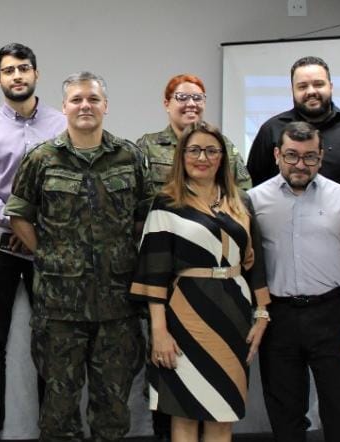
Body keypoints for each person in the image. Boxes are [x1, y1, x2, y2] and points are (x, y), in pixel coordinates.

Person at [5, 72, 154, 440]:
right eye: (76, 99)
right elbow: (19, 214)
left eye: (92, 99)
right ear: (64, 107)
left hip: (117, 305)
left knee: (114, 408)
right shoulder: (42, 158)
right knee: (58, 410)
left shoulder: (129, 156)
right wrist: (48, 252)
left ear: (105, 105)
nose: (85, 105)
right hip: (59, 308)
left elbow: (145, 217)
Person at [130, 121, 271, 442]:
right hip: (183, 317)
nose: (202, 157)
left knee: (223, 414)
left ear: (222, 157)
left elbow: (255, 264)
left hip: (233, 317)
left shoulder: (240, 202)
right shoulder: (166, 203)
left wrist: (262, 313)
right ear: (181, 156)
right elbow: (154, 273)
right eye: (194, 150)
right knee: (185, 414)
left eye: (211, 150)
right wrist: (159, 332)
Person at [0, 43, 66, 441]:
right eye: (9, 70)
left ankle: (51, 422)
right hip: (0, 248)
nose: (17, 76)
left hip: (49, 248)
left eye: (24, 68)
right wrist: (16, 222)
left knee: (52, 337)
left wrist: (36, 231)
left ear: (36, 73)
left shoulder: (61, 124)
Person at [249, 121, 340, 442]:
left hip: (331, 316)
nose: (300, 165)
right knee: (285, 414)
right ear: (277, 155)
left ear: (321, 156)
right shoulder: (254, 201)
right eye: (291, 156)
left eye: (309, 157)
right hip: (279, 318)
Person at [246, 56, 340, 216]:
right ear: (292, 90)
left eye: (318, 84)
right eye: (302, 86)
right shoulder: (271, 130)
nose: (311, 91)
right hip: (281, 233)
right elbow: (253, 188)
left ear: (331, 86)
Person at [137, 74, 251, 194]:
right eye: (182, 97)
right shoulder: (148, 146)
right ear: (167, 104)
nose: (191, 103)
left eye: (197, 98)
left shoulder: (223, 145)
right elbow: (137, 197)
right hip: (163, 212)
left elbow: (243, 191)